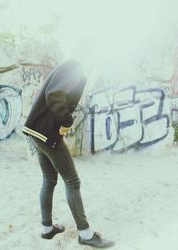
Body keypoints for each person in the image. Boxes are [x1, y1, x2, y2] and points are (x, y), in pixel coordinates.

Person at [22, 59, 114, 248]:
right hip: (46, 133)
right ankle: (85, 233)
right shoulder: (75, 66)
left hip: (36, 131)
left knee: (49, 179)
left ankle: (47, 229)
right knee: (72, 181)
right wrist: (66, 121)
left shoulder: (70, 66)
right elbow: (54, 94)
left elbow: (55, 94)